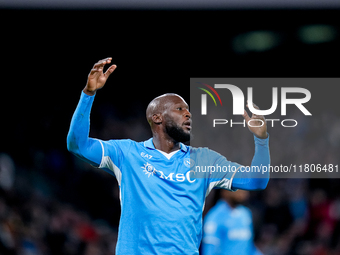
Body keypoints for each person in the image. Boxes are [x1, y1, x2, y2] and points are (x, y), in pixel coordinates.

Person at [67, 57, 270, 255]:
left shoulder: (204, 160)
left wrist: (262, 140)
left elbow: (256, 181)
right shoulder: (127, 154)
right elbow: (78, 145)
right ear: (157, 118)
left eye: (189, 110)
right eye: (180, 109)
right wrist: (89, 93)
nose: (188, 114)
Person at [201, 190, 263, 255]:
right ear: (225, 191)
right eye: (238, 188)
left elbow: (248, 246)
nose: (243, 191)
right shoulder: (214, 217)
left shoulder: (246, 214)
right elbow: (210, 250)